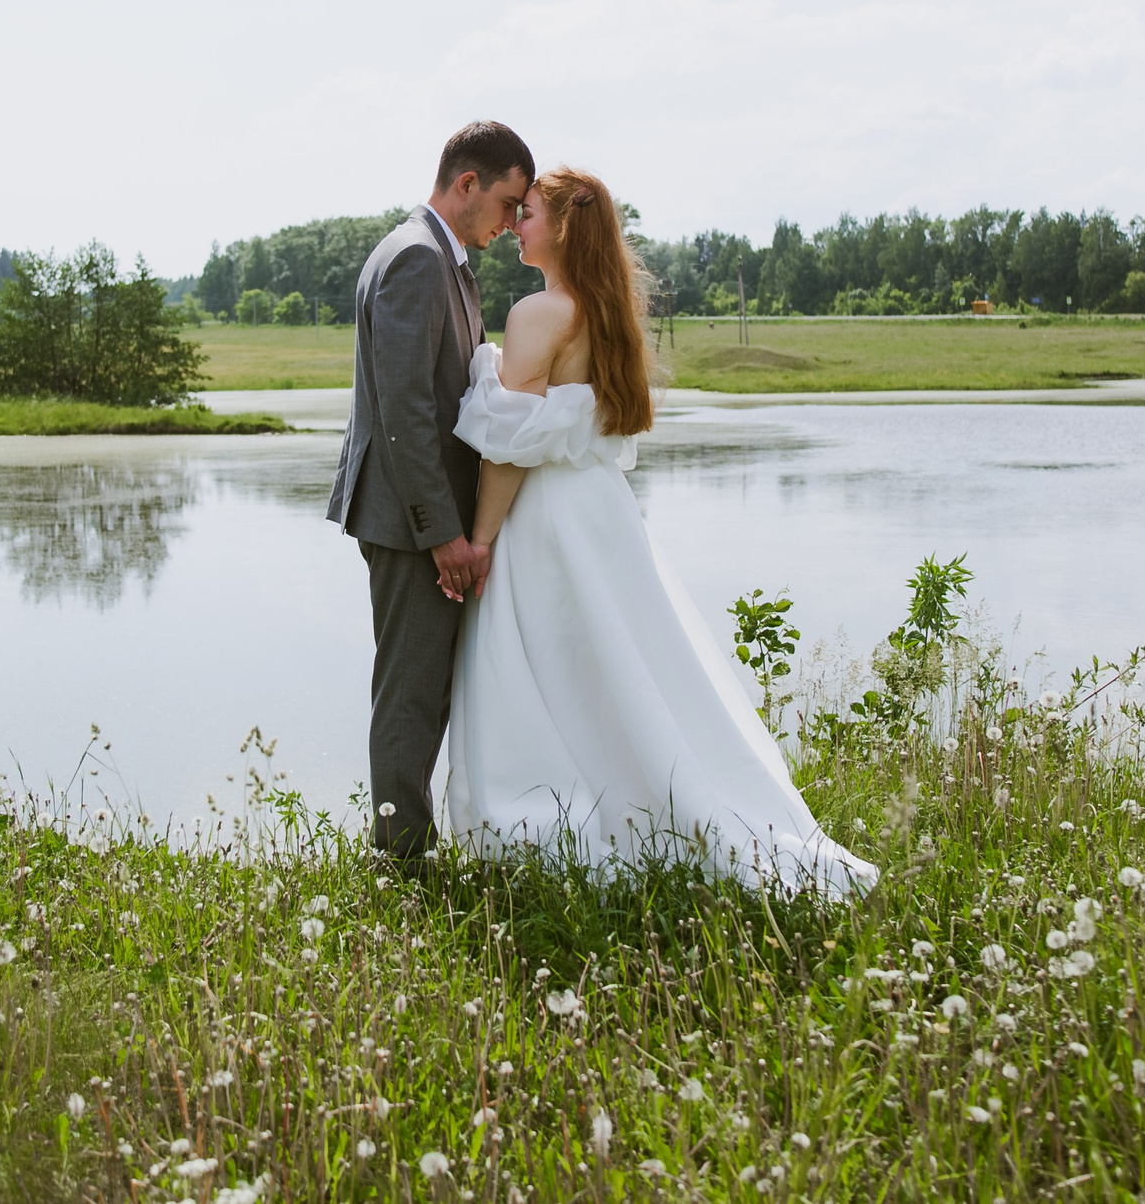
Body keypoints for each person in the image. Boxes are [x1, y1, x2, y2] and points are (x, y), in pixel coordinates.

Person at [445, 166, 878, 894]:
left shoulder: (538, 314)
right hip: (604, 511)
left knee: (548, 668)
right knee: (623, 662)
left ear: (560, 227)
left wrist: (482, 539)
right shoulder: (604, 310)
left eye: (529, 213)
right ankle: (660, 801)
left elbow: (510, 448)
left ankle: (559, 812)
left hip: (548, 516)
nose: (517, 222)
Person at [327, 120, 533, 860]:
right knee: (411, 692)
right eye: (508, 204)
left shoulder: (438, 257)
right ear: (467, 182)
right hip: (409, 520)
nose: (512, 224)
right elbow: (406, 410)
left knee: (419, 687)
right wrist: (444, 531)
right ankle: (400, 861)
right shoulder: (416, 259)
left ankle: (405, 846)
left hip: (415, 515)